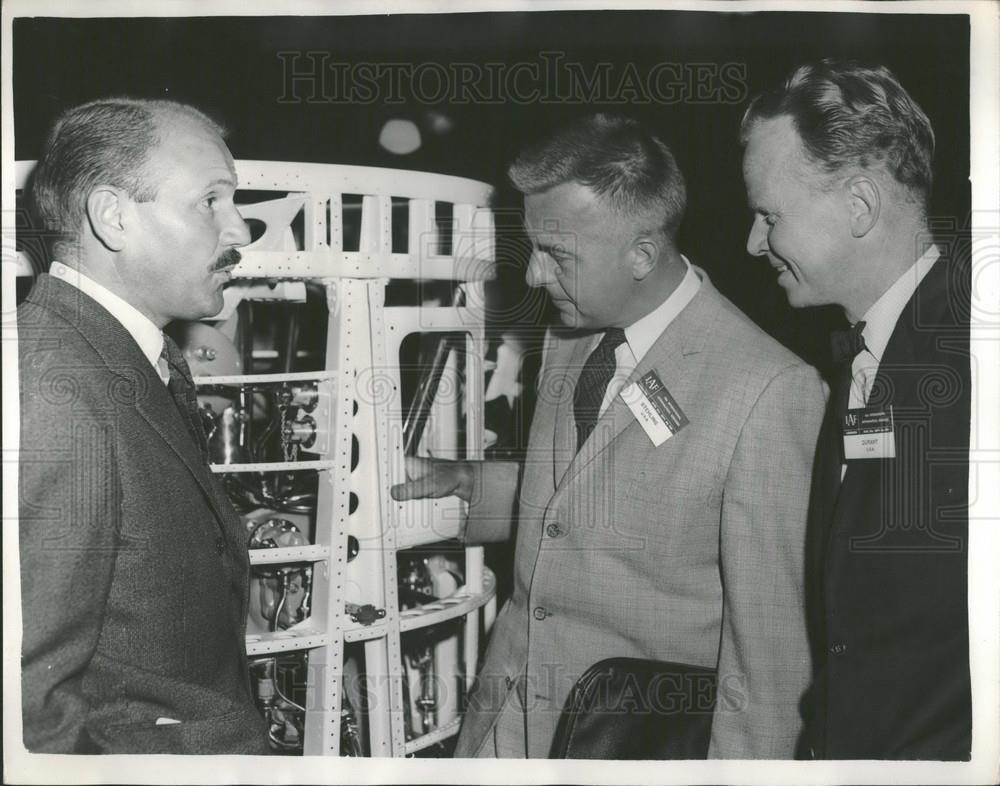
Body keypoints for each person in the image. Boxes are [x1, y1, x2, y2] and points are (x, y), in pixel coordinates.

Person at [392, 114, 827, 758]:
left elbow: (769, 667)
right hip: (502, 729)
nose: (535, 274)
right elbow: (580, 498)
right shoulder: (569, 337)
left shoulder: (768, 390)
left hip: (627, 749)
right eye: (533, 246)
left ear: (642, 255)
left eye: (557, 254)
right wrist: (469, 485)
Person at [17, 98, 271, 754]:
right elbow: (26, 710)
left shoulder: (127, 356)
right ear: (113, 218)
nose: (240, 230)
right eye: (210, 201)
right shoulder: (55, 391)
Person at [740, 60, 971, 760]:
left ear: (860, 206)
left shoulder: (976, 363)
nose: (753, 243)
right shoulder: (859, 358)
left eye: (769, 215)